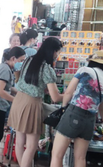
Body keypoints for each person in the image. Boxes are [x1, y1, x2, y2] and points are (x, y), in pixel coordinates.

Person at [50, 51, 103, 167]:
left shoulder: (85, 70)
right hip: (90, 121)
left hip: (74, 113)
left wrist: (64, 108)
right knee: (80, 158)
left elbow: (69, 92)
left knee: (56, 155)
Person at [8, 37, 63, 167]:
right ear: (52, 51)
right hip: (31, 105)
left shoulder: (29, 60)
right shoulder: (46, 68)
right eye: (57, 52)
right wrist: (70, 95)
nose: (57, 55)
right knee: (32, 145)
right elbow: (55, 97)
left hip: (18, 101)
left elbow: (28, 82)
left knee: (20, 142)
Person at [0, 47, 26, 167]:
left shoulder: (7, 68)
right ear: (13, 58)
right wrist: (15, 101)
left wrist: (19, 94)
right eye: (21, 60)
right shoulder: (5, 69)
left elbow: (8, 87)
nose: (21, 63)